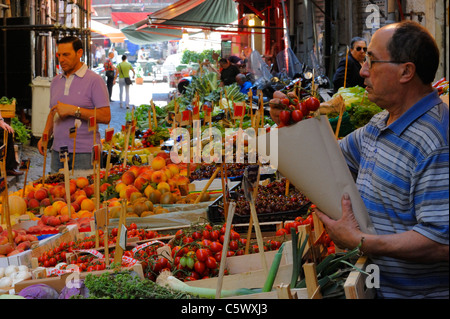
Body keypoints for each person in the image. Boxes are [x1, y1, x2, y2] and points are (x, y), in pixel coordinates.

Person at [315, 21, 448, 299]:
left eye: (371, 61)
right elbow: (330, 158)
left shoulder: (436, 143)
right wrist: (290, 120)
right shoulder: (380, 124)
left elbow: (439, 242)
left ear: (406, 71)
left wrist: (360, 242)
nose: (362, 71)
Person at [37, 36, 111, 173]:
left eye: (66, 55)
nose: (61, 59)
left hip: (85, 153)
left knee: (82, 194)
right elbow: (53, 112)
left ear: (79, 53)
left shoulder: (95, 80)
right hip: (57, 151)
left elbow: (105, 116)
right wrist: (45, 136)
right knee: (57, 193)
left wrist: (74, 110)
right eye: (59, 55)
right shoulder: (55, 81)